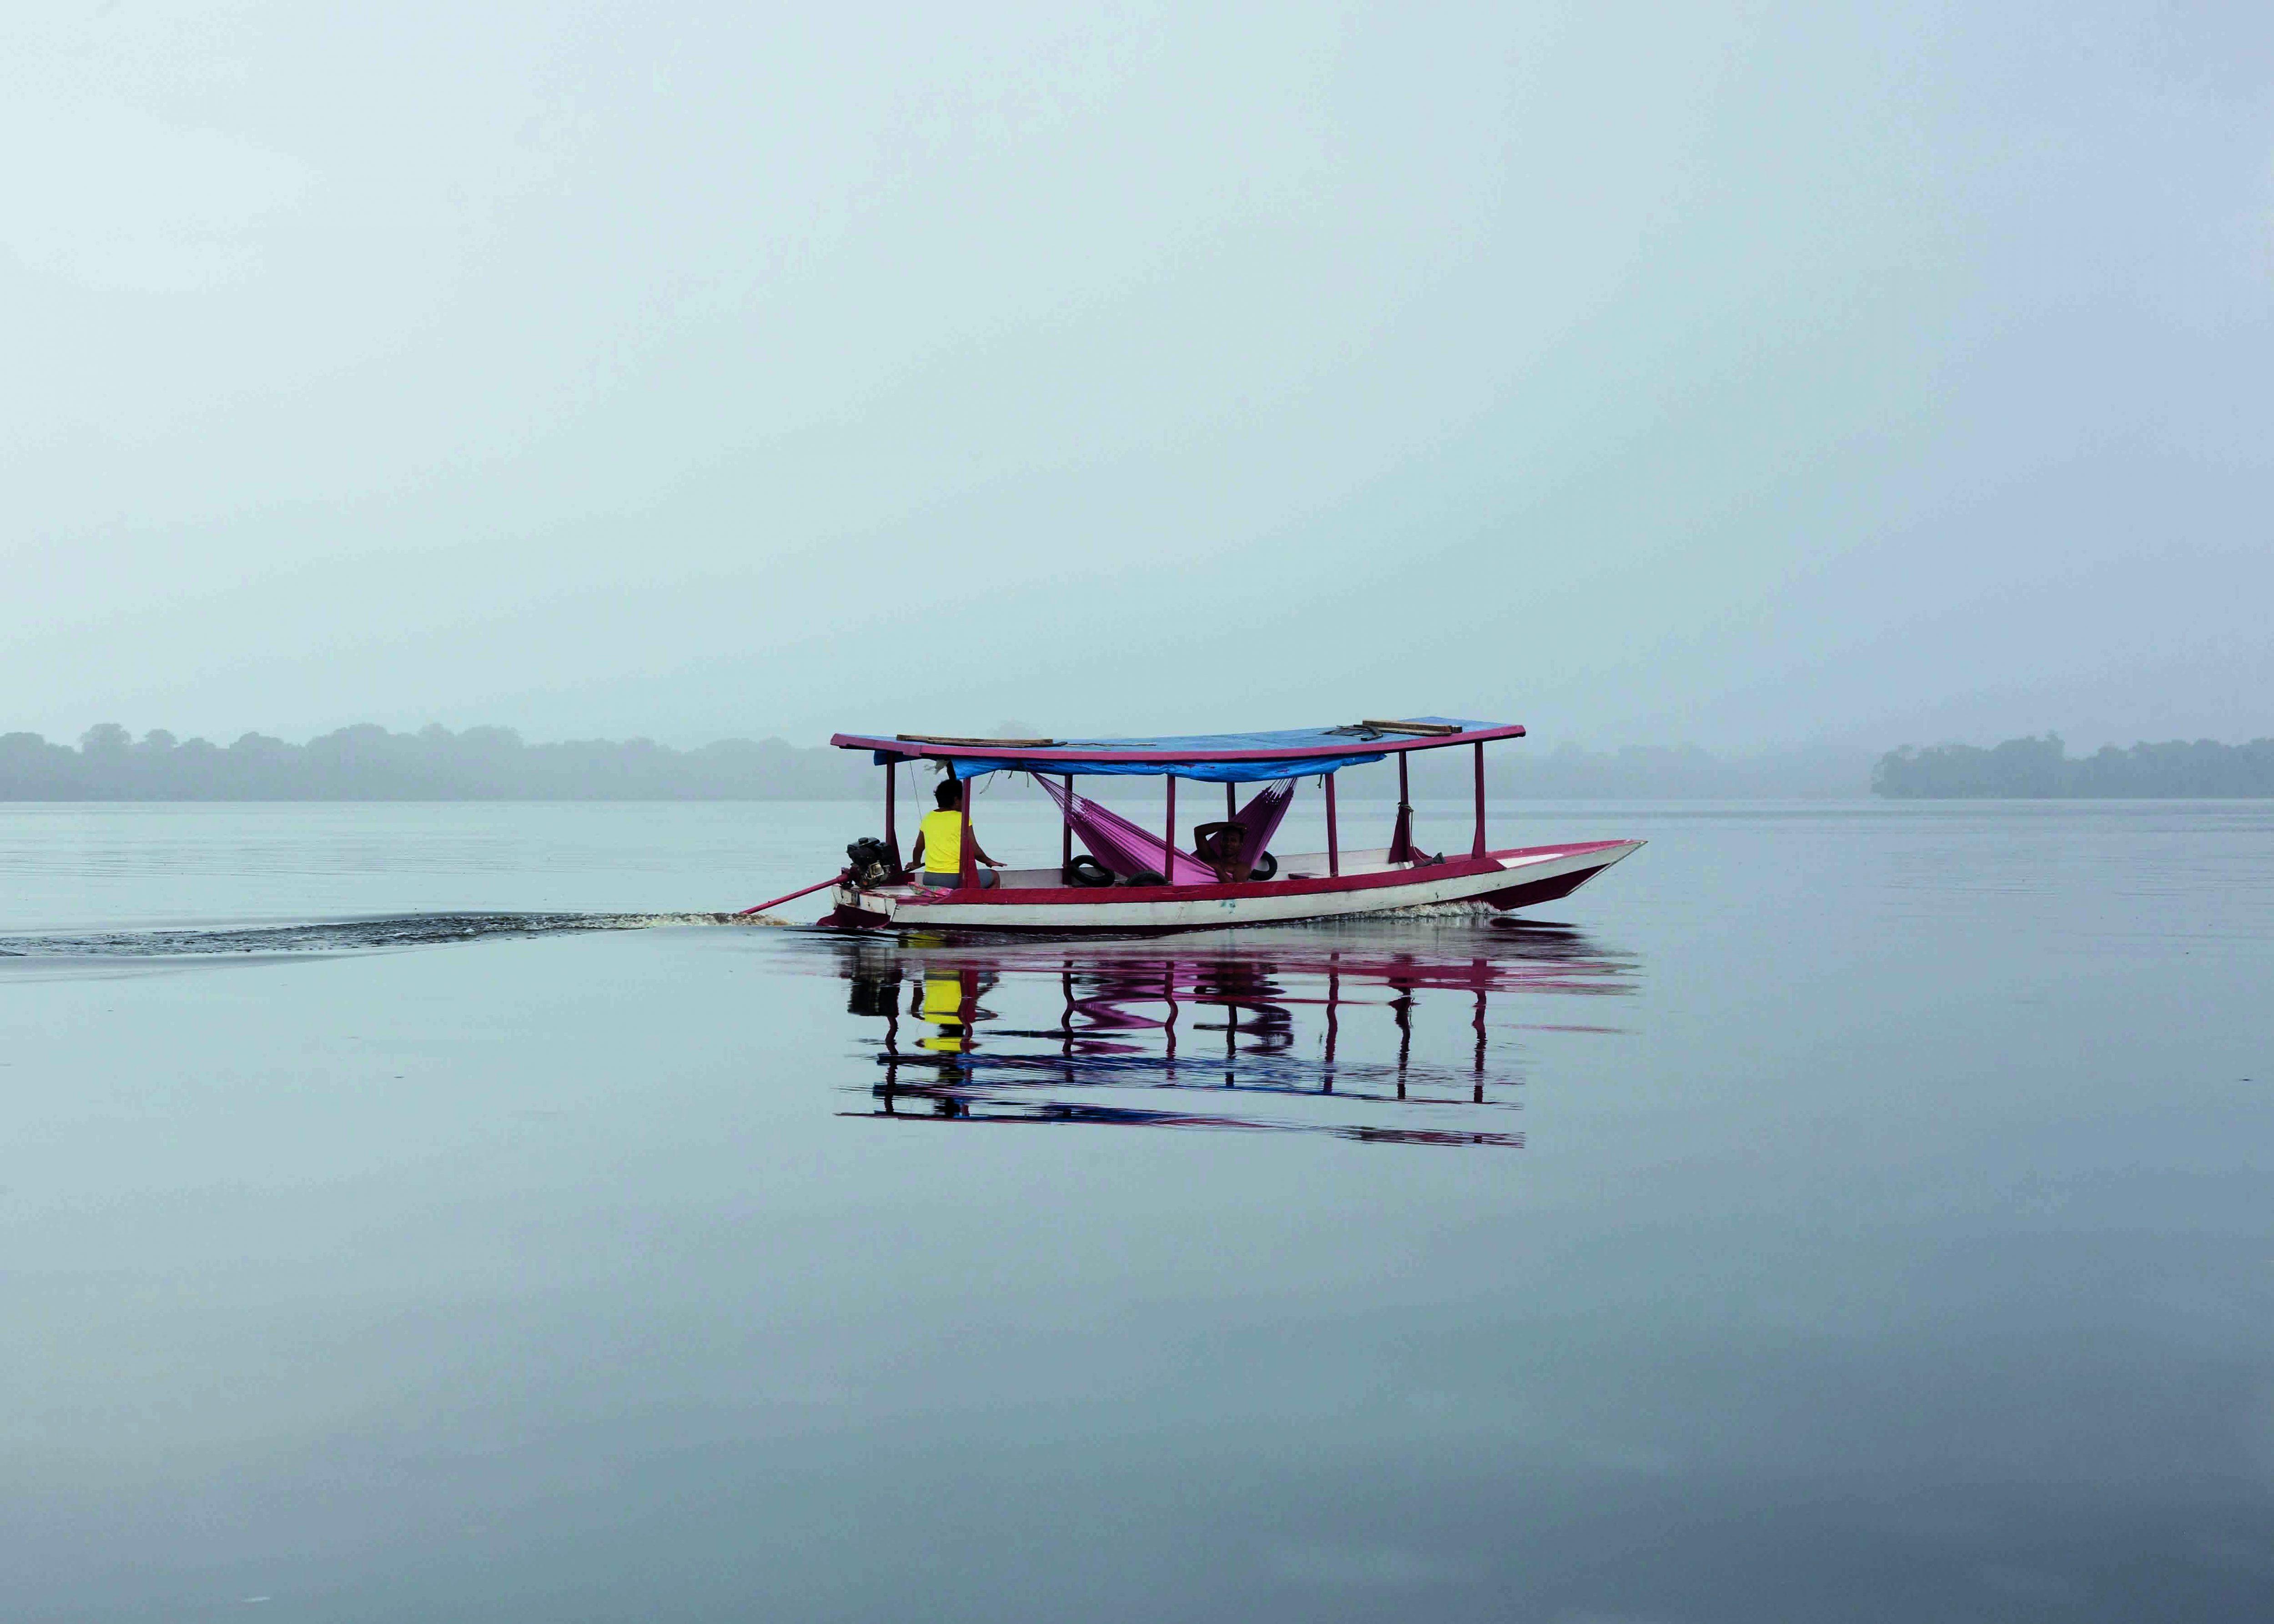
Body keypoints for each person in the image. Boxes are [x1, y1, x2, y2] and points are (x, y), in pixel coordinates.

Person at [909, 778, 1002, 889]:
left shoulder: (928, 818)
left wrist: (916, 864)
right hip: (952, 879)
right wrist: (988, 861)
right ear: (957, 800)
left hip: (930, 878)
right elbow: (975, 850)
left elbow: (918, 848)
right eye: (964, 799)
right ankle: (985, 906)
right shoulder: (962, 818)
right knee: (995, 876)